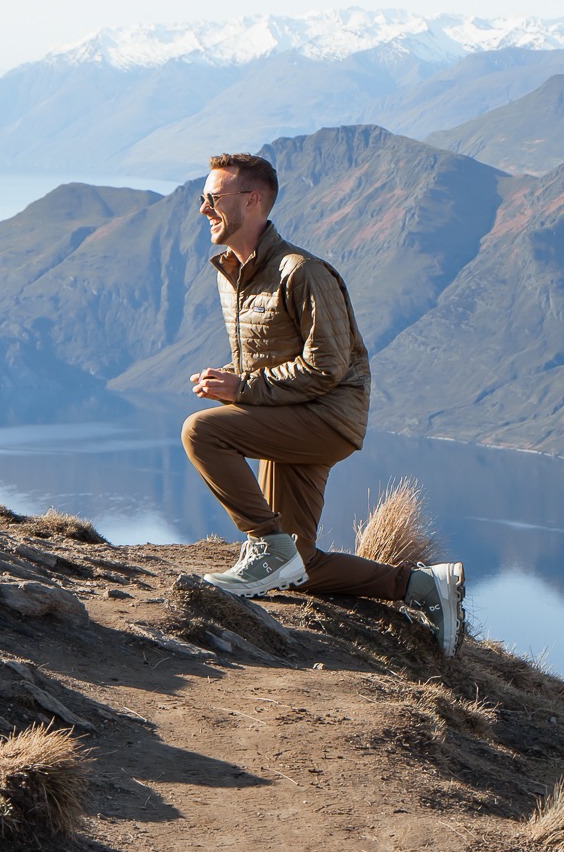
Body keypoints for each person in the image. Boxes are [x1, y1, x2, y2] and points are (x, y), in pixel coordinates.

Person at [181, 151, 466, 654]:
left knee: (203, 431)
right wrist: (233, 374)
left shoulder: (302, 272)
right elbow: (274, 355)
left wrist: (242, 390)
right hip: (287, 416)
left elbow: (326, 368)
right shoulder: (233, 272)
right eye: (203, 197)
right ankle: (422, 586)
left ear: (253, 201)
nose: (203, 207)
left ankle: (266, 546)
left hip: (326, 418)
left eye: (213, 198)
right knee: (300, 567)